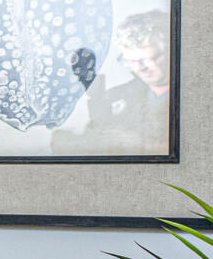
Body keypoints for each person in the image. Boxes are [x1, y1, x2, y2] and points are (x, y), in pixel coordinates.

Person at [51, 9, 171, 155]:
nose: (140, 68)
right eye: (132, 61)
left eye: (150, 59)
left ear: (171, 50)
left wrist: (135, 143)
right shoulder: (116, 96)